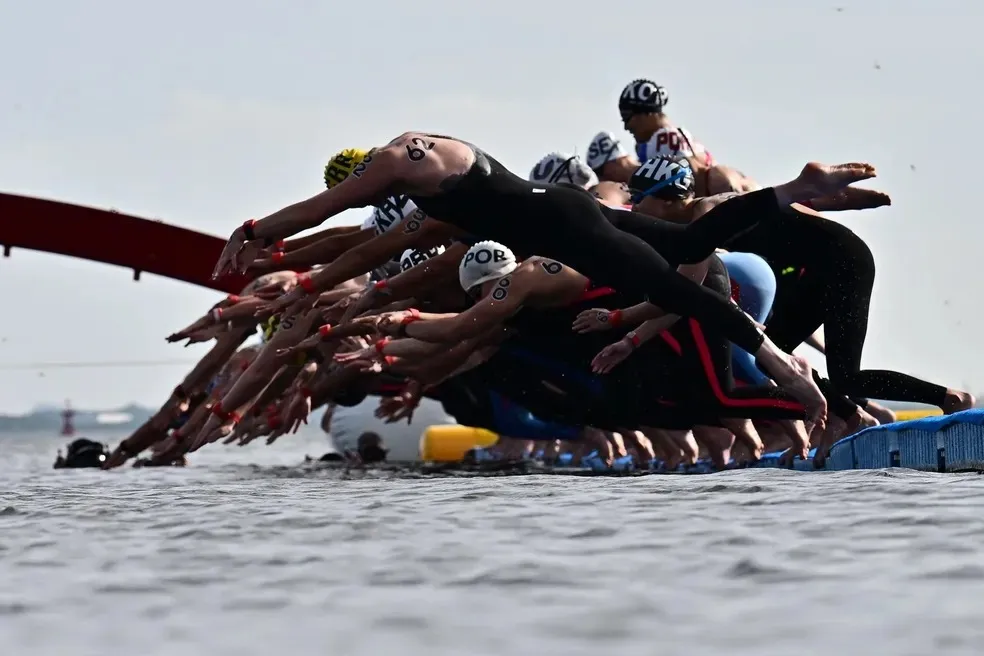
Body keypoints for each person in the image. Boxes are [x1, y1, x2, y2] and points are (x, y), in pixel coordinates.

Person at [212, 131, 885, 431]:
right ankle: (795, 187)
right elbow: (350, 250)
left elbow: (327, 216)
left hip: (564, 230)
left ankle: (778, 363)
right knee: (687, 246)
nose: (363, 197)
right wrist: (300, 275)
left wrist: (258, 229)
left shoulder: (397, 166)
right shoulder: (435, 169)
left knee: (679, 285)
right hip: (567, 213)